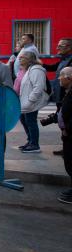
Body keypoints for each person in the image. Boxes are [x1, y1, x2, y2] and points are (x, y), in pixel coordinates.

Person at [15, 51, 49, 154]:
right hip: (25, 102)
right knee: (24, 120)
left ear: (30, 60)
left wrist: (31, 100)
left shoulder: (36, 70)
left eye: (22, 57)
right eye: (20, 57)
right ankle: (30, 141)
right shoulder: (28, 69)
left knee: (31, 122)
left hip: (31, 103)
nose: (20, 59)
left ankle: (34, 144)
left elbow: (38, 87)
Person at [53, 67, 72, 204]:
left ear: (69, 78)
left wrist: (67, 129)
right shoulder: (68, 92)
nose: (59, 78)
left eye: (61, 76)